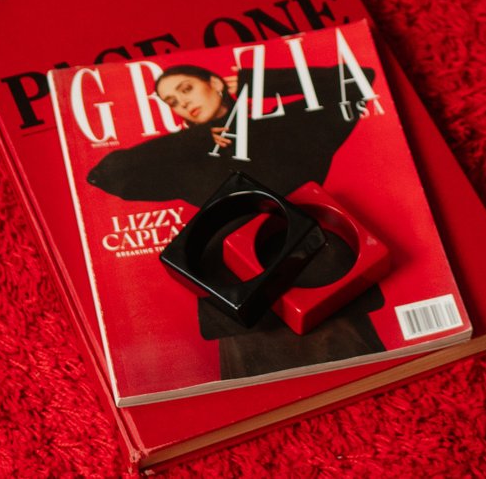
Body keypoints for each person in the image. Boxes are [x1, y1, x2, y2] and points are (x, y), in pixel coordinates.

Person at [84, 61, 389, 379]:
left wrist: (257, 81)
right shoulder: (187, 157)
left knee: (355, 379)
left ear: (216, 83)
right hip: (240, 307)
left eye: (186, 89)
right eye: (172, 101)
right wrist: (194, 140)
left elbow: (356, 80)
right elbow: (103, 173)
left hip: (315, 284)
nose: (182, 103)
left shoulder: (287, 129)